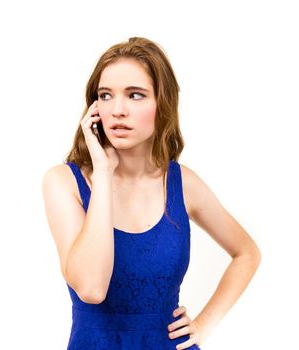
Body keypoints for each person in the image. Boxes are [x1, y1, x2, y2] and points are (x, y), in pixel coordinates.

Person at [42, 37, 261, 350]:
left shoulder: (183, 183)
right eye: (106, 96)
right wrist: (103, 172)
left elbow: (247, 252)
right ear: (93, 108)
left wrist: (203, 324)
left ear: (163, 103)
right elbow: (91, 288)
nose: (117, 110)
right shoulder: (63, 182)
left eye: (135, 95)